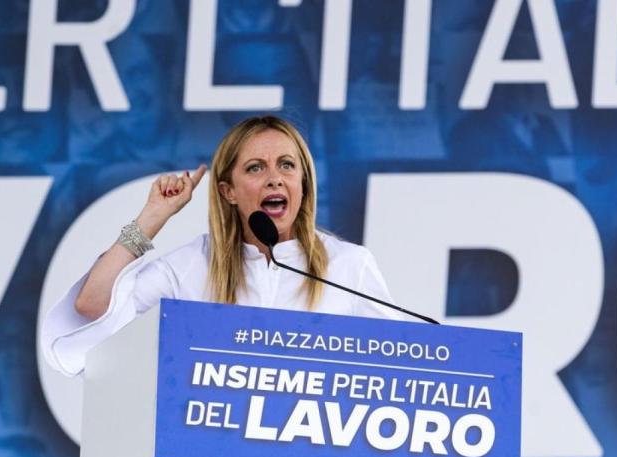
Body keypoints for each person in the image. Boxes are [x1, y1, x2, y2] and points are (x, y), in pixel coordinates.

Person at [41, 115, 400, 376]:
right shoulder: (190, 267)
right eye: (256, 168)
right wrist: (152, 217)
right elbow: (91, 307)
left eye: (287, 165)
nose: (274, 177)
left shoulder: (348, 266)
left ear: (303, 182)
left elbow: (400, 368)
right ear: (228, 191)